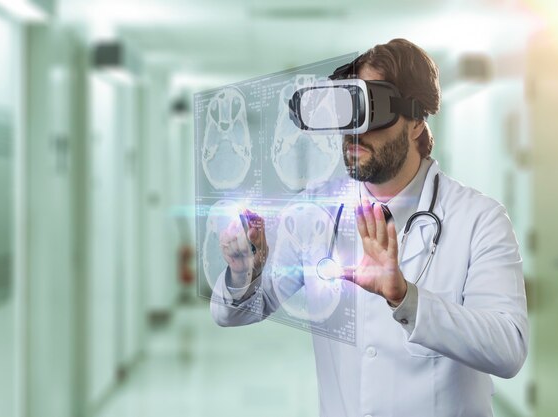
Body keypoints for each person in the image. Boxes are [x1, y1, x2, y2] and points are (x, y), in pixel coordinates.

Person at [210, 38, 528, 417]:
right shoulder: (319, 214)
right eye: (346, 110)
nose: (354, 132)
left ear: (415, 121)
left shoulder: (479, 219)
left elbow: (509, 349)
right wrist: (243, 270)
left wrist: (406, 298)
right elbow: (232, 313)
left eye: (369, 110)